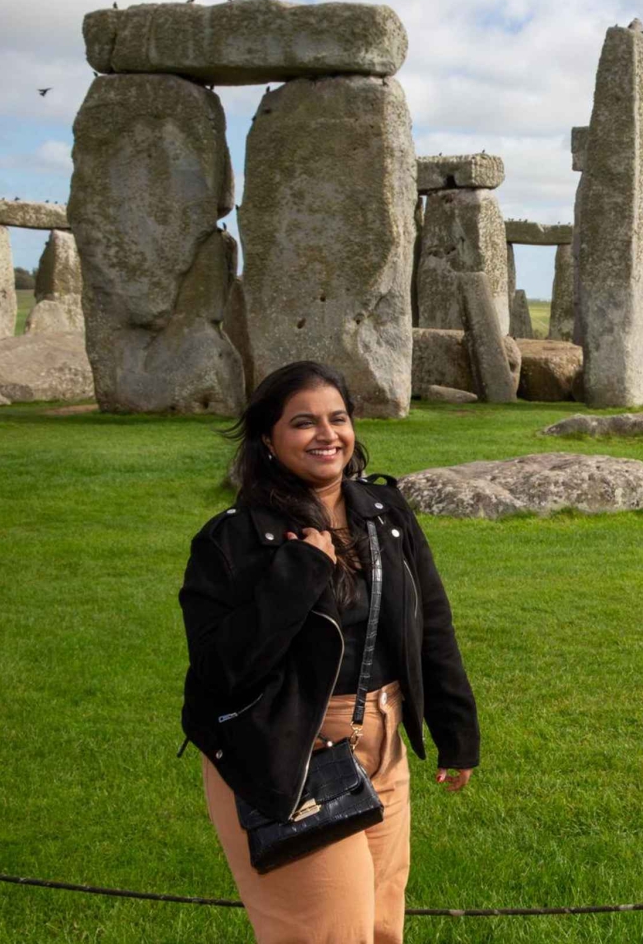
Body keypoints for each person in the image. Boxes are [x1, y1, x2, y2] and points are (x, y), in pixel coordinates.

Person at [179, 361, 479, 944]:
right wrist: (300, 572)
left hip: (382, 737)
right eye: (303, 423)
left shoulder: (384, 514)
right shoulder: (233, 539)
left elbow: (430, 623)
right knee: (329, 935)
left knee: (380, 928)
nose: (327, 435)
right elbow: (221, 672)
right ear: (268, 439)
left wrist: (456, 728)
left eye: (337, 418)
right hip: (291, 750)